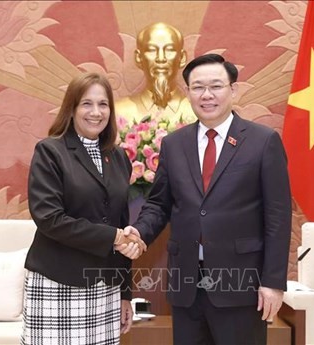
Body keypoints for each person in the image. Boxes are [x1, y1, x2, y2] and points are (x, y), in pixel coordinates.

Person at [119, 54, 292, 344]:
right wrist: (140, 231)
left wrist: (273, 283)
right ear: (188, 92)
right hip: (187, 284)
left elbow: (278, 215)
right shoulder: (174, 144)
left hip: (240, 285)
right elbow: (159, 204)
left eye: (216, 86)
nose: (207, 95)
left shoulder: (263, 141)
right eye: (198, 87)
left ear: (233, 90)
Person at [21, 72, 146, 345]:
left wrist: (125, 293)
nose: (96, 112)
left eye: (103, 104)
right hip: (58, 282)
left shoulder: (119, 156)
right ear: (72, 108)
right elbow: (49, 218)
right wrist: (112, 237)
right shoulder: (50, 151)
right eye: (87, 104)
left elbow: (121, 223)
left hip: (106, 288)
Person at [115, 22, 195, 125]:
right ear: (139, 58)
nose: (161, 58)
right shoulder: (119, 112)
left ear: (182, 58)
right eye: (151, 50)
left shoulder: (197, 113)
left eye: (169, 50)